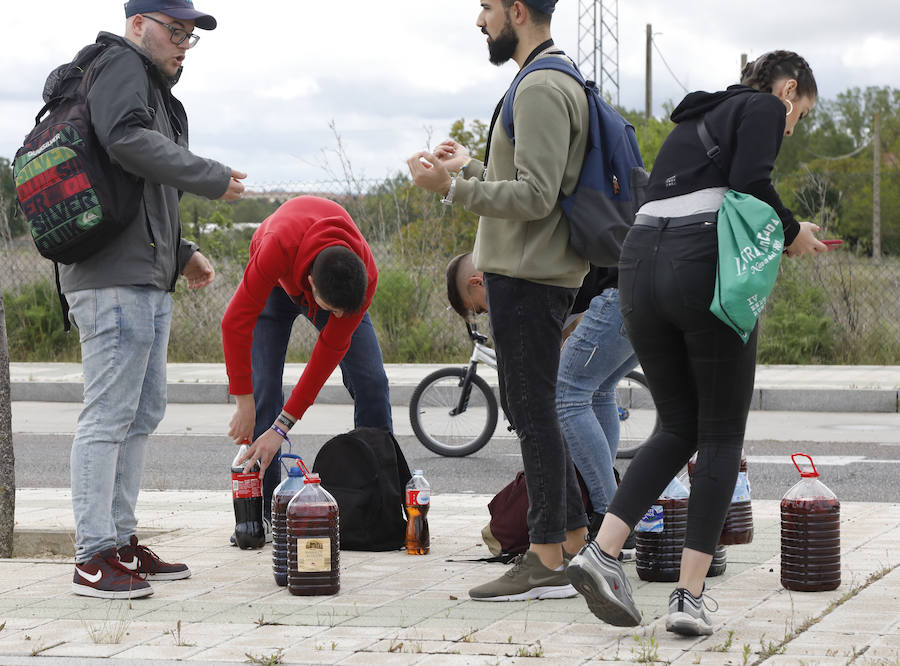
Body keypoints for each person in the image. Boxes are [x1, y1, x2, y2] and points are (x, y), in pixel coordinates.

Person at [565, 50, 833, 636]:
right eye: (801, 113)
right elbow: (750, 183)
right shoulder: (764, 105)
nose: (792, 125)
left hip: (639, 270)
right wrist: (794, 234)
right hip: (699, 267)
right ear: (788, 90)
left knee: (678, 424)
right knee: (718, 434)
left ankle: (602, 553)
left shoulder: (695, 121)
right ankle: (687, 598)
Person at [409, 0, 590, 602]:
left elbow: (536, 197)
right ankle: (569, 544)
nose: (478, 20)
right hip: (536, 271)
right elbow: (540, 184)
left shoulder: (539, 84)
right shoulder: (550, 76)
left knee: (533, 415)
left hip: (529, 276)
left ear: (517, 9)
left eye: (485, 7)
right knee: (534, 408)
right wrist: (477, 167)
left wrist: (453, 188)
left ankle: (544, 563)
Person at [63, 0, 245, 599]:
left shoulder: (144, 84)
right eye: (174, 31)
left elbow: (134, 192)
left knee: (138, 416)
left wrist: (181, 250)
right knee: (108, 418)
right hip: (112, 282)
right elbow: (126, 144)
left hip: (142, 275)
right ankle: (93, 556)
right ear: (137, 23)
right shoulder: (120, 65)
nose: (182, 45)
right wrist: (210, 175)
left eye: (191, 36)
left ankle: (119, 541)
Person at [448, 253, 638, 552]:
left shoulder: (508, 277)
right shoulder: (524, 257)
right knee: (598, 390)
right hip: (644, 289)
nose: (486, 313)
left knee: (568, 396)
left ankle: (610, 516)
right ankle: (604, 502)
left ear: (477, 283)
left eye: (478, 309)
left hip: (617, 295)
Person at [223, 196, 389, 503]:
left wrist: (282, 428)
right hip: (276, 280)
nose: (337, 319)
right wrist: (243, 401)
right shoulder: (276, 245)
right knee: (265, 393)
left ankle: (378, 500)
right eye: (332, 311)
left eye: (343, 313)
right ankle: (262, 511)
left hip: (332, 285)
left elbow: (326, 355)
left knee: (372, 382)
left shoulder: (364, 277)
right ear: (311, 284)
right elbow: (234, 323)